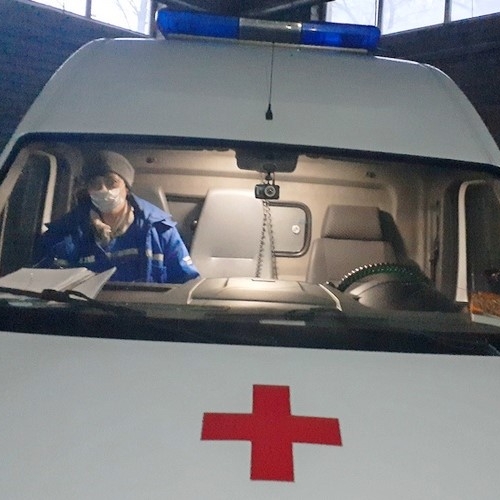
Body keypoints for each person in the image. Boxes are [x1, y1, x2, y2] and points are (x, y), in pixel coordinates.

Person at [34, 150, 200, 283]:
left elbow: (187, 283)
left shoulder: (160, 230)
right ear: (88, 189)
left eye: (111, 182)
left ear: (126, 188)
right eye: (95, 184)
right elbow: (44, 285)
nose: (103, 189)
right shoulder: (63, 233)